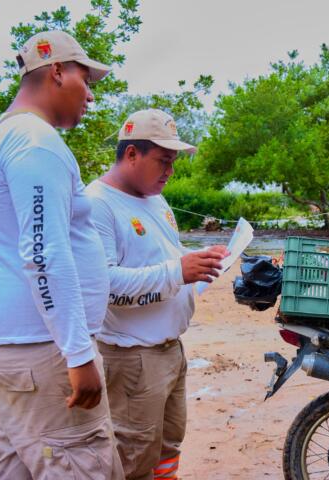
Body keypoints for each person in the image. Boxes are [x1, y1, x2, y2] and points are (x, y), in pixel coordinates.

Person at [0, 30, 123, 478]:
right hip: (40, 349)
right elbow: (43, 254)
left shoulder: (5, 136)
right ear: (57, 71)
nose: (90, 96)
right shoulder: (35, 143)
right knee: (79, 463)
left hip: (11, 346)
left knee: (16, 466)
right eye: (86, 80)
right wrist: (77, 353)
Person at [85, 109, 228, 480]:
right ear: (131, 154)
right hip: (133, 357)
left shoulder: (155, 198)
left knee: (167, 444)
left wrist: (202, 266)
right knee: (133, 455)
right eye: (163, 161)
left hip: (169, 350)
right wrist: (178, 270)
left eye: (173, 162)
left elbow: (167, 260)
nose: (170, 171)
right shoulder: (97, 203)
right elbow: (104, 285)